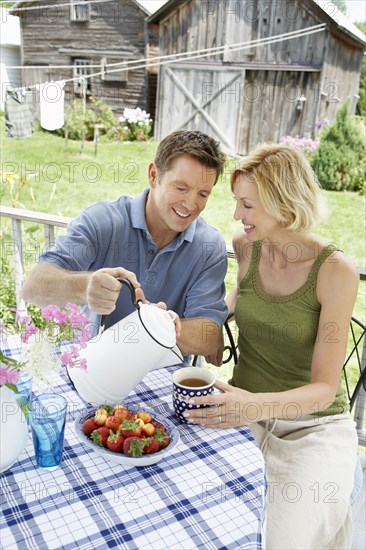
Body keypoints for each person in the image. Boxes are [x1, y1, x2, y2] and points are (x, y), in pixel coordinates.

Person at [182, 143, 359, 549]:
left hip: (312, 427)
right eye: (237, 202)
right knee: (191, 507)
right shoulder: (247, 246)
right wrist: (206, 324)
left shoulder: (335, 271)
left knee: (279, 540)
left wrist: (253, 405)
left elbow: (325, 391)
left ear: (283, 203)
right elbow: (239, 297)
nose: (236, 215)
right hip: (242, 411)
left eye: (247, 205)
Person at [21, 130, 228, 363]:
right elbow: (32, 288)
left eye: (203, 194)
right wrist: (86, 286)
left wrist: (157, 325)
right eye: (181, 188)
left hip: (162, 379)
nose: (191, 204)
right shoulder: (103, 221)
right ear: (153, 175)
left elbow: (209, 336)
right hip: (94, 368)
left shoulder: (209, 246)